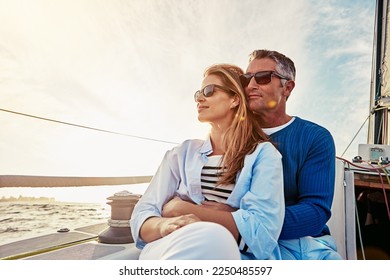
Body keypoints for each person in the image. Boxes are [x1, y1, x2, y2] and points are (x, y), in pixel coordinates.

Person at [130, 63, 285, 260]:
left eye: (209, 91)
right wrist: (164, 225)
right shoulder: (181, 153)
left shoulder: (263, 154)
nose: (200, 99)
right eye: (198, 94)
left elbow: (262, 233)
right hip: (173, 243)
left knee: (215, 238)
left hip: (231, 255)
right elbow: (142, 213)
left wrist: (182, 209)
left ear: (235, 99)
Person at [239, 49, 342, 260]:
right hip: (238, 239)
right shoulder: (231, 137)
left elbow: (315, 212)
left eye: (263, 77)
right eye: (246, 78)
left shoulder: (315, 137)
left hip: (302, 244)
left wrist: (244, 225)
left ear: (287, 87)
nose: (250, 86)